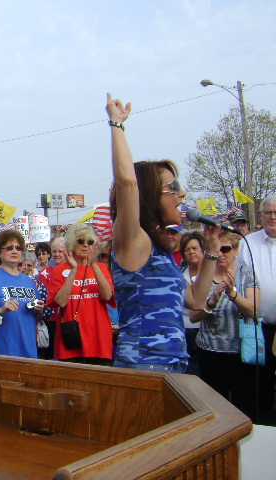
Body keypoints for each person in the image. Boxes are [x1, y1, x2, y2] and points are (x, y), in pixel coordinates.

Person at [107, 92, 221, 373]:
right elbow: (127, 183)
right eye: (172, 188)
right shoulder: (134, 241)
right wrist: (117, 125)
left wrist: (211, 251)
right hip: (143, 366)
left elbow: (195, 301)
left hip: (173, 365)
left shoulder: (160, 249)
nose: (182, 194)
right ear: (148, 195)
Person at [189, 232, 259, 420]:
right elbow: (193, 316)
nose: (220, 254)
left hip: (240, 353)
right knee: (215, 411)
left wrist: (233, 294)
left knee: (245, 408)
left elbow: (254, 311)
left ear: (236, 251)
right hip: (210, 353)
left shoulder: (246, 274)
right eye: (216, 249)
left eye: (226, 249)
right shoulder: (203, 276)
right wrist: (211, 302)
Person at [47, 223, 115, 365]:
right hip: (71, 339)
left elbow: (107, 296)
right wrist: (74, 270)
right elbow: (61, 302)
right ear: (72, 243)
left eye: (89, 242)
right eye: (81, 241)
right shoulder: (59, 270)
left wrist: (94, 265)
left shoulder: (101, 268)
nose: (85, 245)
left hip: (98, 340)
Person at [238, 195, 276, 419]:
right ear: (260, 216)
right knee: (260, 384)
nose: (273, 217)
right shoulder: (248, 243)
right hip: (258, 328)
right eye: (268, 212)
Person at [0, 230, 43, 358]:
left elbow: (39, 315)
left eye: (18, 248)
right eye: (9, 248)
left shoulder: (29, 281)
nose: (14, 251)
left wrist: (39, 310)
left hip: (30, 351)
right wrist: (2, 310)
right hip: (4, 351)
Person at [179, 231, 205, 375]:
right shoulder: (180, 273)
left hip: (205, 330)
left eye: (194, 248)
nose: (191, 252)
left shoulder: (210, 273)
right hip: (184, 331)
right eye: (187, 250)